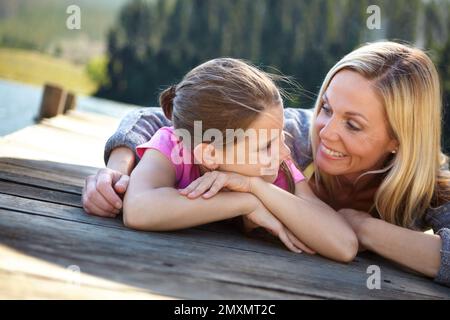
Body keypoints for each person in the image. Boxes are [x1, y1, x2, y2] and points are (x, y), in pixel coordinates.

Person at [83, 42, 450, 286]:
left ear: (398, 140)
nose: (325, 133)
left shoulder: (274, 150)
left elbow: (343, 245)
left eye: (353, 124)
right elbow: (167, 116)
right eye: (325, 107)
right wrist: (118, 171)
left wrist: (361, 226)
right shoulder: (286, 133)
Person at [119, 57, 357, 261]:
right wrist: (247, 202)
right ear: (209, 154)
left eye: (281, 137)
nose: (285, 152)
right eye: (265, 146)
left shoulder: (276, 169)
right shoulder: (173, 147)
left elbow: (344, 246)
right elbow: (138, 210)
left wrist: (255, 187)